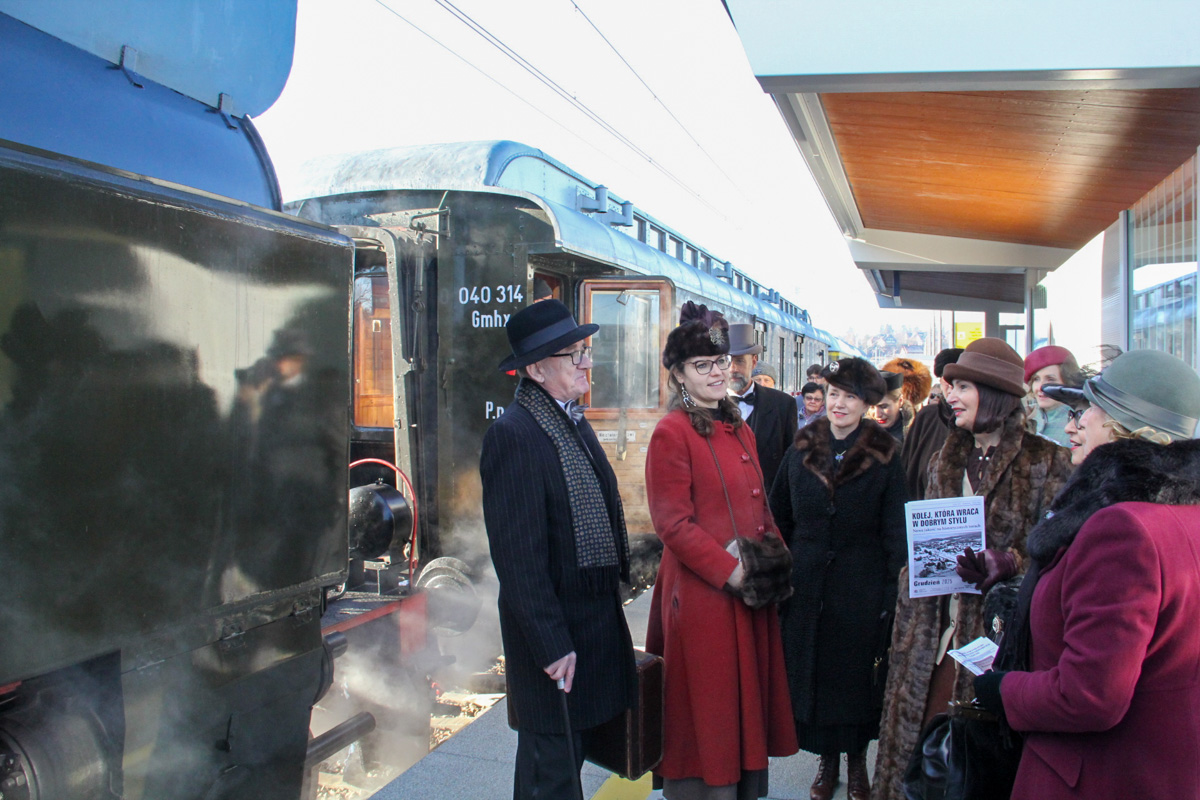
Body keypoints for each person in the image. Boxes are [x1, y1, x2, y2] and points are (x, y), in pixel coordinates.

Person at [973, 349, 1200, 799]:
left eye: (1087, 412)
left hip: (1094, 774)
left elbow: (1091, 695)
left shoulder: (1121, 528)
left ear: (1123, 429)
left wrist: (1002, 690)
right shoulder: (1178, 511)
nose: (1072, 425)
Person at [872, 338, 1074, 800]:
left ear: (996, 393)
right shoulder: (945, 459)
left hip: (995, 643)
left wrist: (1014, 562)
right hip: (932, 635)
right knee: (920, 764)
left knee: (974, 770)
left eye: (962, 385)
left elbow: (1062, 552)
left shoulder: (1047, 461)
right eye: (949, 386)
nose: (950, 395)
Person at [479, 299, 636, 799]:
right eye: (573, 355)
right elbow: (518, 560)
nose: (587, 361)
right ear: (536, 369)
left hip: (588, 630)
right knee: (551, 774)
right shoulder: (515, 435)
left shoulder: (569, 420)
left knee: (562, 769)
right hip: (556, 643)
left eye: (584, 350)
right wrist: (551, 647)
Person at [645, 302, 798, 799]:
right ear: (679, 375)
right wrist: (733, 573)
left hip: (746, 594)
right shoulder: (672, 432)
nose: (718, 372)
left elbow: (761, 503)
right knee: (708, 711)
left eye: (721, 362)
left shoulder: (740, 427)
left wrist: (774, 559)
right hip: (704, 599)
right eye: (702, 365)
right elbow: (673, 523)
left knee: (740, 707)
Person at [770, 357, 907, 800]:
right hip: (807, 586)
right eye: (833, 394)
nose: (839, 403)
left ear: (866, 403)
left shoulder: (885, 453)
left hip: (860, 585)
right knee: (815, 679)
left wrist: (891, 593)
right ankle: (827, 762)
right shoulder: (802, 445)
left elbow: (895, 530)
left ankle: (857, 763)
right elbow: (778, 516)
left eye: (850, 396)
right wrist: (780, 576)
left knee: (855, 681)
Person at [727, 323, 799, 492]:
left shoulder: (783, 405)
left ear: (753, 362)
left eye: (739, 361)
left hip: (767, 505)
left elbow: (792, 462)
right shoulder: (704, 407)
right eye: (726, 361)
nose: (732, 369)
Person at [899, 348, 961, 500]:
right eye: (945, 379)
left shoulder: (982, 425)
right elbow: (908, 473)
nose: (950, 386)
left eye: (960, 382)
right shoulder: (927, 418)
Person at [1023, 344, 1084, 447]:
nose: (1040, 387)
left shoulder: (1080, 422)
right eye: (1036, 379)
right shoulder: (1024, 418)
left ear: (1067, 382)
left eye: (1050, 379)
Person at [873, 371, 908, 444]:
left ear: (900, 401)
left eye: (883, 407)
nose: (877, 415)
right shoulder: (858, 432)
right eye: (872, 407)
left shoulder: (915, 433)